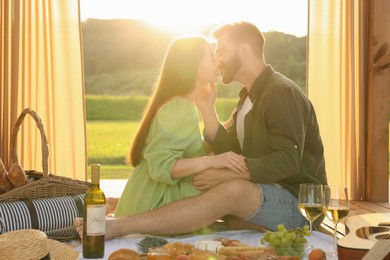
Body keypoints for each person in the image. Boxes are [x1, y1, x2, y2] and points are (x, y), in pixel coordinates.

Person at [74, 21, 327, 240]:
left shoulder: (280, 93)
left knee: (231, 192)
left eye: (222, 52)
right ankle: (140, 212)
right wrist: (208, 111)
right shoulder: (247, 100)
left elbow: (287, 160)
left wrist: (231, 177)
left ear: (245, 51)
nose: (218, 60)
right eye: (214, 54)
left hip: (299, 205)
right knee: (213, 196)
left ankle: (121, 225)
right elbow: (234, 154)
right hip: (266, 196)